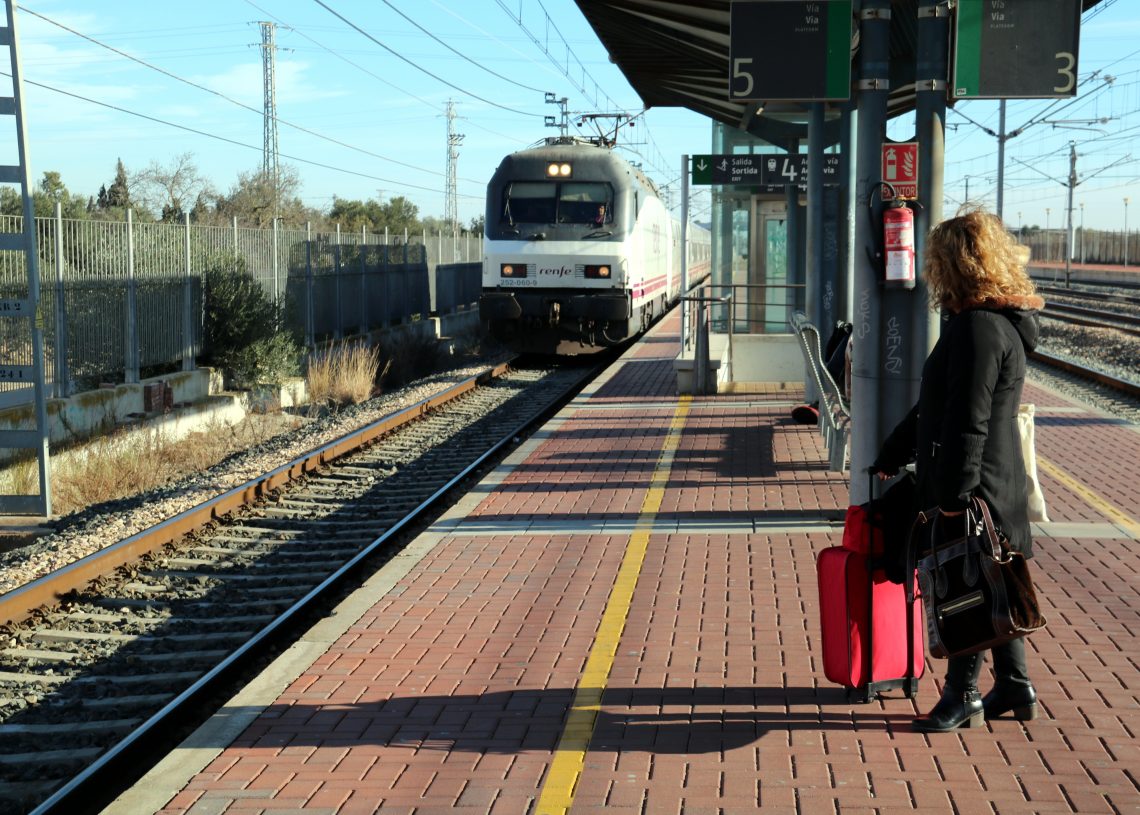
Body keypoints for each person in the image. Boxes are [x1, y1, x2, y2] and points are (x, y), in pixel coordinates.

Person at [871, 206, 1045, 733]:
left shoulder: (979, 329)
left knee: (965, 585)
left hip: (976, 483)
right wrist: (893, 451)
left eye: (939, 262)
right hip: (990, 476)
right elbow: (935, 406)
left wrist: (953, 495)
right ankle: (1014, 685)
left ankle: (962, 693)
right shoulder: (988, 323)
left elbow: (967, 418)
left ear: (957, 265)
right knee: (995, 576)